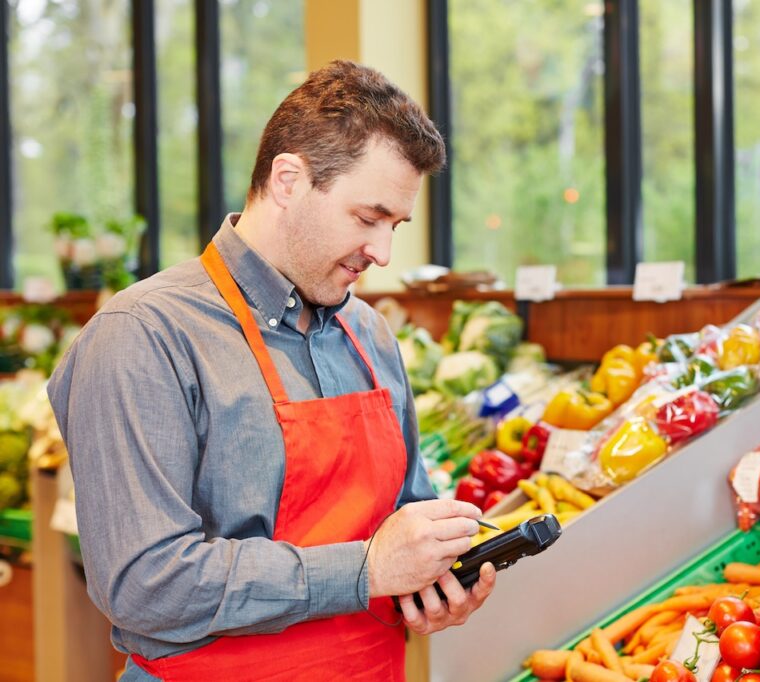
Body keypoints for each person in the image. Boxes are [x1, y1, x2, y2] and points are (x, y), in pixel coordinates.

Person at [48, 59, 495, 681]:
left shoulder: (368, 334)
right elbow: (144, 584)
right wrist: (366, 570)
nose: (384, 253)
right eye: (367, 218)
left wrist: (436, 574)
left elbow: (402, 517)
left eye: (396, 224)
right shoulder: (144, 335)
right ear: (287, 180)